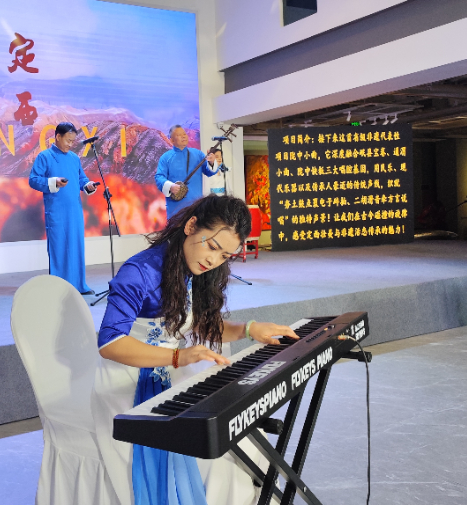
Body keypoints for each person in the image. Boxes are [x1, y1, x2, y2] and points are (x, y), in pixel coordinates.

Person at [91, 194, 298, 505]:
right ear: (190, 226)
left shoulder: (192, 269)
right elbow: (110, 342)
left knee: (244, 442)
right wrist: (178, 356)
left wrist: (249, 328)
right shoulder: (140, 271)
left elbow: (202, 324)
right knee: (215, 455)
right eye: (212, 247)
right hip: (126, 382)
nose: (214, 260)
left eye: (225, 255)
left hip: (172, 373)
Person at [28, 122, 99, 295]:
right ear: (57, 137)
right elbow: (33, 180)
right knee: (59, 247)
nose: (70, 144)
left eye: (73, 141)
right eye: (68, 140)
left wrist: (88, 185)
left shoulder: (74, 158)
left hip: (75, 210)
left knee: (76, 246)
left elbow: (81, 179)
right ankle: (59, 288)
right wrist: (53, 182)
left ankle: (79, 285)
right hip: (56, 210)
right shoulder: (45, 156)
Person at [155, 125, 217, 218]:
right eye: (179, 135)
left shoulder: (198, 154)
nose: (183, 136)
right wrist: (170, 186)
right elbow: (159, 177)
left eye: (184, 134)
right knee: (177, 226)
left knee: (195, 226)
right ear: (172, 140)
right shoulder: (165, 157)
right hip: (175, 207)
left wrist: (211, 162)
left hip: (196, 204)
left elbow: (209, 172)